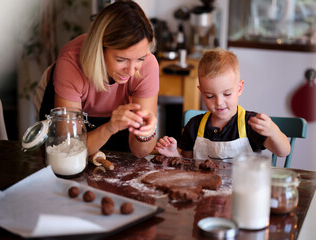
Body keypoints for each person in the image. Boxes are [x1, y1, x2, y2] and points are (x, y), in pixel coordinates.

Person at [37, 1, 159, 158]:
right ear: (100, 49)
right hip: (67, 122)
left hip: (111, 122)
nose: (130, 70)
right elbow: (67, 148)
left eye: (140, 58)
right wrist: (110, 127)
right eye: (121, 59)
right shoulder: (71, 63)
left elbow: (140, 152)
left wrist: (145, 133)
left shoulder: (148, 65)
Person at [155, 48, 291, 160]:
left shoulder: (250, 124)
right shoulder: (194, 126)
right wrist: (174, 155)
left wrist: (273, 132)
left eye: (227, 94)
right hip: (203, 191)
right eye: (210, 96)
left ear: (239, 88)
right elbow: (186, 165)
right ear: (201, 92)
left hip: (241, 190)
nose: (219, 102)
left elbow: (283, 152)